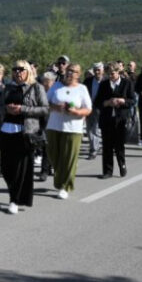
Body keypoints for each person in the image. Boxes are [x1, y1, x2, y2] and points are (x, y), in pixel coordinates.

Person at [0, 60, 49, 214]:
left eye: (21, 69)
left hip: (25, 133)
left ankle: (14, 199)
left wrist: (23, 109)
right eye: (15, 69)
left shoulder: (37, 87)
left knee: (21, 169)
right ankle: (15, 195)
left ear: (28, 71)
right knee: (6, 168)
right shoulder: (7, 87)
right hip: (6, 131)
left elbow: (45, 109)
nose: (17, 72)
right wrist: (7, 109)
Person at [45, 63, 92, 199]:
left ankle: (65, 185)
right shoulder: (56, 86)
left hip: (73, 128)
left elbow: (88, 109)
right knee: (53, 155)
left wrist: (76, 111)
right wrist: (56, 107)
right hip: (54, 126)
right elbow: (45, 103)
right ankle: (61, 179)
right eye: (69, 70)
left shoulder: (82, 89)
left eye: (74, 71)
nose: (70, 73)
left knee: (68, 158)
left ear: (79, 75)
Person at [95, 62, 136, 178]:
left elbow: (133, 101)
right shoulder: (103, 84)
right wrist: (107, 102)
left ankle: (122, 165)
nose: (111, 76)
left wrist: (123, 101)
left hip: (121, 119)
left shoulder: (127, 83)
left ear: (118, 72)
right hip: (106, 119)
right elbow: (97, 102)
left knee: (119, 145)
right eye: (108, 73)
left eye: (113, 73)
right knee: (107, 146)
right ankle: (107, 171)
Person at [83, 62, 104, 159]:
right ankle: (94, 147)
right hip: (89, 108)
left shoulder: (106, 81)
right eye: (95, 70)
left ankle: (94, 148)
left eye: (99, 70)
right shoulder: (88, 81)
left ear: (102, 70)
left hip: (102, 108)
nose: (97, 72)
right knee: (89, 129)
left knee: (96, 129)